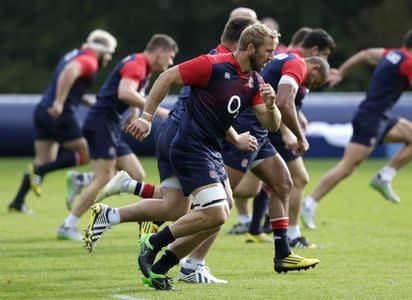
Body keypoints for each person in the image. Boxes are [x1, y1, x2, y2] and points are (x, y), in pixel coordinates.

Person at [84, 16, 259, 284]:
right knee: (216, 210)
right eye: (264, 45)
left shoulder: (238, 68)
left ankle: (114, 214)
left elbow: (217, 112)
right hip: (186, 137)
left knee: (176, 207)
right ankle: (188, 263)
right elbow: (178, 88)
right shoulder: (219, 62)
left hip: (178, 134)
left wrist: (236, 137)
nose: (268, 52)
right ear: (245, 42)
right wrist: (147, 116)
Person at [301, 28, 412, 230]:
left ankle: (384, 177)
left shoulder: (391, 54)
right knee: (347, 167)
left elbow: (365, 54)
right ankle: (309, 204)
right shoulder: (409, 61)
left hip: (380, 117)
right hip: (371, 118)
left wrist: (342, 72)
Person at [56, 34, 177, 240]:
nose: (171, 62)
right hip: (101, 123)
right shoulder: (137, 64)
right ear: (160, 52)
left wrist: (132, 115)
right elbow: (125, 92)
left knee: (136, 174)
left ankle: (82, 179)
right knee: (104, 177)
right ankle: (68, 225)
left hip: (109, 124)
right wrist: (158, 111)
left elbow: (130, 95)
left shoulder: (142, 67)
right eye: (171, 56)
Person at [228, 29, 335, 250]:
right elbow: (284, 102)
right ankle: (292, 236)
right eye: (316, 82)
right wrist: (297, 135)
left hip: (262, 124)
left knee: (273, 184)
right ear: (315, 64)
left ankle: (281, 248)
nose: (311, 86)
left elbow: (285, 101)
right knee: (298, 179)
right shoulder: (297, 64)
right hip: (257, 123)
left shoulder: (288, 58)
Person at [7, 29, 117, 214]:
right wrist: (59, 102)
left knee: (43, 160)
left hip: (43, 110)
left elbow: (71, 81)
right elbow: (69, 72)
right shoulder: (89, 60)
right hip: (61, 113)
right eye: (110, 52)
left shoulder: (75, 53)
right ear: (102, 49)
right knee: (87, 153)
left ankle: (17, 202)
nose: (109, 57)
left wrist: (86, 101)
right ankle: (40, 173)